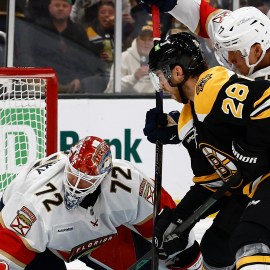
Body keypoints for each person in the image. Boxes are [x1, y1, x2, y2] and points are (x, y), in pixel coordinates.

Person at [146, 31, 270, 270]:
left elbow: (266, 97)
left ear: (177, 72)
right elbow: (212, 182)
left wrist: (253, 149)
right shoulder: (187, 121)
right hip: (252, 189)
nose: (160, 85)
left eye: (160, 76)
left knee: (250, 238)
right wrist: (178, 220)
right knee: (216, 247)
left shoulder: (211, 86)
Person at [0, 135, 203, 270]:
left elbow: (168, 220)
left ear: (103, 176)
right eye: (72, 177)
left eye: (85, 181)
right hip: (19, 226)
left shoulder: (126, 182)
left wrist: (176, 239)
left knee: (177, 253)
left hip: (89, 231)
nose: (76, 186)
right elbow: (8, 258)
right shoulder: (35, 206)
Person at [139, 0, 270, 81]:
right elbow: (204, 17)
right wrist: (173, 3)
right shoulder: (241, 36)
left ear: (257, 50)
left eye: (234, 53)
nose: (230, 59)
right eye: (226, 51)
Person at [15, 0, 106, 93]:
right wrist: (36, 77)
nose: (60, 8)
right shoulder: (36, 30)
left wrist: (81, 81)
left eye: (64, 6)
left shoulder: (80, 33)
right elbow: (26, 56)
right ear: (50, 8)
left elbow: (88, 62)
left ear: (70, 9)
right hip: (41, 88)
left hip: (74, 89)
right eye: (57, 5)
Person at [105, 25, 155, 94]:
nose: (146, 43)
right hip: (129, 102)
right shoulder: (123, 57)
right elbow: (111, 90)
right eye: (143, 39)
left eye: (150, 39)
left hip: (156, 102)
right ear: (136, 40)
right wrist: (134, 77)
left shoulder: (163, 59)